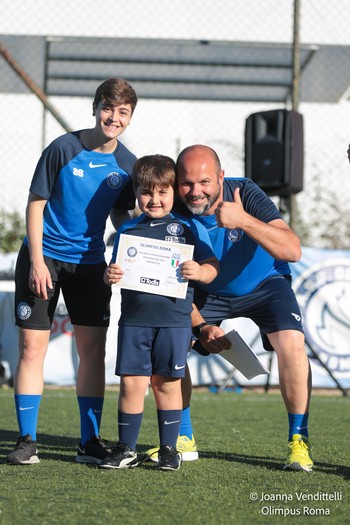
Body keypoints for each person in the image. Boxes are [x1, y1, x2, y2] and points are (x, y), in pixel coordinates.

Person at [148, 144, 313, 472]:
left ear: (221, 177)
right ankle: (183, 439)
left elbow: (292, 250)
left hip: (265, 284)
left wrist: (244, 220)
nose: (195, 192)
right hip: (207, 292)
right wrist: (200, 327)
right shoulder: (170, 209)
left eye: (205, 182)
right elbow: (171, 286)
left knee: (292, 343)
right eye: (187, 183)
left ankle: (299, 440)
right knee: (166, 341)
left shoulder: (245, 192)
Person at [6, 78, 138, 466]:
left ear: (131, 117)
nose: (113, 118)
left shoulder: (128, 164)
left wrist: (133, 249)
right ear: (95, 107)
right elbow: (35, 204)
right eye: (108, 109)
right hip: (43, 258)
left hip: (90, 265)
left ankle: (89, 441)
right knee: (32, 348)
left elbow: (122, 214)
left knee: (92, 352)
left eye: (123, 113)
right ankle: (27, 439)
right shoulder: (63, 148)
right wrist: (36, 261)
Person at [99, 154, 219, 471]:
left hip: (174, 323)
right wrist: (109, 275)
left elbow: (212, 269)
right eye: (147, 192)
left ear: (173, 192)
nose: (154, 199)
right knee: (132, 384)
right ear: (136, 193)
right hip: (135, 322)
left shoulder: (188, 228)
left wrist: (199, 270)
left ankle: (169, 449)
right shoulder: (127, 231)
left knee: (166, 384)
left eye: (162, 192)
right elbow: (116, 270)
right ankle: (126, 448)